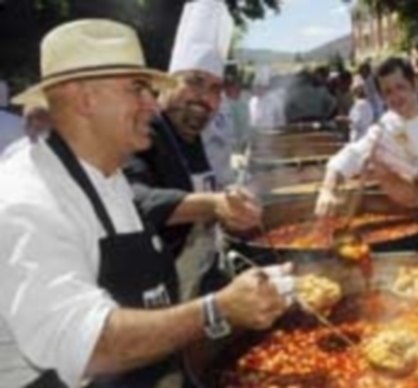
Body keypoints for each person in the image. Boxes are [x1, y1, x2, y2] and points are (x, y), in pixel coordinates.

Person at [0, 19, 288, 388]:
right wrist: (216, 309)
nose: (152, 105)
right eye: (137, 89)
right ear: (85, 98)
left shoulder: (108, 176)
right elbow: (90, 345)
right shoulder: (25, 202)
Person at [125, 0, 261, 300]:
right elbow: (136, 199)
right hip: (155, 298)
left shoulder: (193, 135)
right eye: (196, 82)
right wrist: (213, 204)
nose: (206, 98)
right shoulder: (141, 131)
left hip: (202, 280)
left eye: (215, 88)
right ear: (167, 81)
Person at [314, 57, 418, 216]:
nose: (395, 97)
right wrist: (327, 190)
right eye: (388, 92)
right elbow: (350, 156)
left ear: (415, 84)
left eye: (400, 87)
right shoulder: (386, 127)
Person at [347, 76, 374, 141]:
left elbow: (356, 121)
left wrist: (344, 119)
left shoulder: (360, 104)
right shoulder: (367, 104)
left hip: (359, 136)